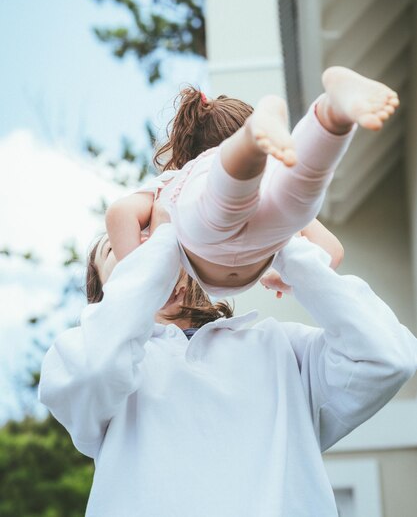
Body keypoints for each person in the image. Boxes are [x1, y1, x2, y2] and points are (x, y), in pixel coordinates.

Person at [39, 213, 417, 517]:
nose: (149, 246)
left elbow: (387, 356)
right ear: (102, 292)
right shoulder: (80, 356)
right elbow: (96, 368)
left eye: (155, 235)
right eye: (118, 248)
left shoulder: (281, 347)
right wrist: (164, 239)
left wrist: (279, 239)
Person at [105, 66, 399, 297]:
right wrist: (286, 274)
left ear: (190, 156)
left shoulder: (179, 180)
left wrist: (138, 276)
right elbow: (331, 250)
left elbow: (120, 212)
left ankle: (314, 124)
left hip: (209, 233)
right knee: (301, 190)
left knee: (228, 206)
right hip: (266, 229)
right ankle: (331, 114)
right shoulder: (270, 178)